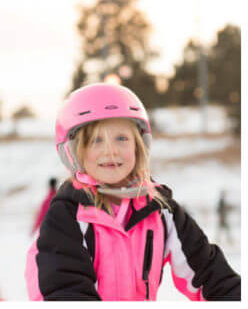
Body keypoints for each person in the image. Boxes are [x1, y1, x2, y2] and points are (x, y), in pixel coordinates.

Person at [26, 83, 241, 300]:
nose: (111, 150)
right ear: (74, 152)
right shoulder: (67, 216)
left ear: (139, 146)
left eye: (121, 138)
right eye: (96, 141)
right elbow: (65, 289)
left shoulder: (160, 211)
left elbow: (210, 274)